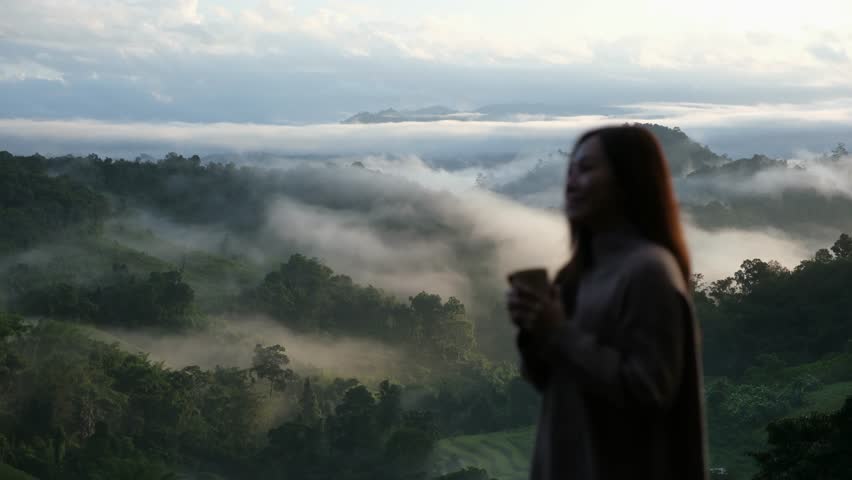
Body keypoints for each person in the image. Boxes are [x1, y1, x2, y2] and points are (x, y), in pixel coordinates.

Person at [506, 125, 708, 480]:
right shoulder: (576, 274)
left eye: (585, 169)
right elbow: (550, 381)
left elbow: (648, 390)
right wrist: (534, 328)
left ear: (628, 180)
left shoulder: (649, 271)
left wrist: (559, 331)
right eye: (570, 171)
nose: (570, 183)